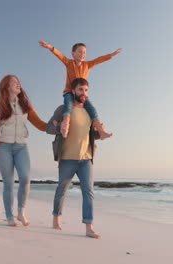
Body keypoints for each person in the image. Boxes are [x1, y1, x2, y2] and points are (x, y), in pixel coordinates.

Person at [0, 74, 47, 227]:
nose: (18, 84)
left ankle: (21, 212)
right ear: (6, 86)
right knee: (9, 183)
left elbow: (39, 123)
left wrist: (55, 126)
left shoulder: (25, 105)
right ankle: (9, 216)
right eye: (14, 82)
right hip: (3, 147)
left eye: (19, 82)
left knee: (25, 178)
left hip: (21, 147)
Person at [46, 78, 106, 239]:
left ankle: (89, 227)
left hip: (86, 159)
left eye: (86, 90)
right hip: (67, 158)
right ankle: (56, 219)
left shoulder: (89, 112)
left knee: (88, 192)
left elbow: (89, 135)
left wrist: (100, 133)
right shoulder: (63, 109)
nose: (84, 93)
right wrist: (59, 126)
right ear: (73, 91)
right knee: (62, 190)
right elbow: (48, 128)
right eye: (81, 90)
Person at [38, 40, 121, 139]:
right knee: (68, 107)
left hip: (82, 94)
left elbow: (99, 60)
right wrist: (51, 47)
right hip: (69, 92)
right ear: (73, 54)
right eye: (80, 52)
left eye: (84, 52)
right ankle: (65, 127)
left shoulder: (87, 65)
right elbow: (60, 55)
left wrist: (111, 55)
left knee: (92, 110)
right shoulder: (69, 63)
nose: (82, 54)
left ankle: (101, 131)